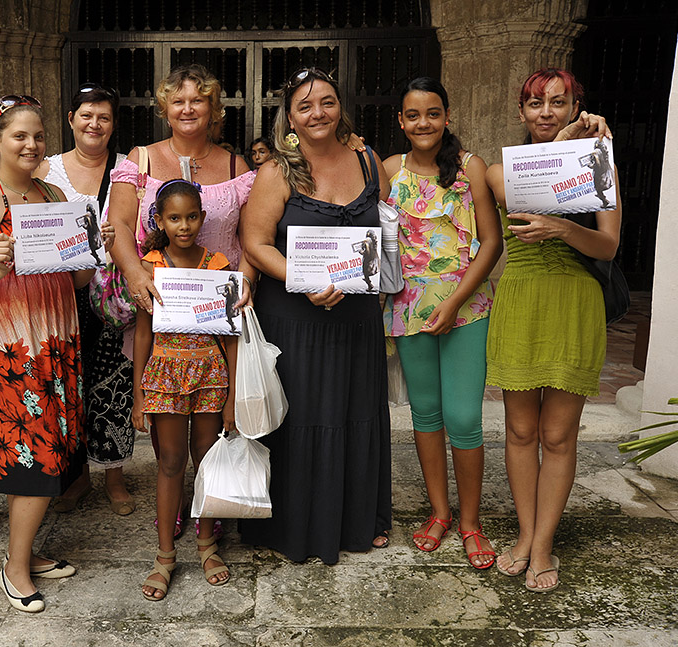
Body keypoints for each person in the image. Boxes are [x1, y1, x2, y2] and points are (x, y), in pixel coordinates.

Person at [0, 94, 114, 612]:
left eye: (38, 136)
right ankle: (14, 568)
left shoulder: (53, 193)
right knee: (34, 451)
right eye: (19, 135)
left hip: (55, 341)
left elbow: (80, 278)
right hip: (5, 349)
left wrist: (91, 245)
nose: (31, 144)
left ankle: (26, 551)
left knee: (54, 450)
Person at [240, 67, 392, 564]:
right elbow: (255, 243)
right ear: (289, 116)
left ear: (340, 106)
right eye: (304, 106)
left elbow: (384, 228)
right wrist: (303, 282)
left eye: (326, 102)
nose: (317, 113)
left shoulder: (369, 161)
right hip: (297, 318)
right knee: (302, 417)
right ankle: (296, 526)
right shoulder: (277, 172)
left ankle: (354, 520)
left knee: (353, 412)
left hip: (356, 319)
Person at [485, 68, 618, 592]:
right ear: (520, 113)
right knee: (519, 430)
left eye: (558, 103)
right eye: (536, 103)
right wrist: (562, 147)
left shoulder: (599, 164)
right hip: (521, 296)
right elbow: (524, 198)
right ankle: (524, 534)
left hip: (573, 300)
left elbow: (607, 245)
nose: (546, 112)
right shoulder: (500, 171)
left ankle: (543, 546)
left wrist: (565, 228)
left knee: (558, 434)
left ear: (575, 107)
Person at [109, 64, 254, 538]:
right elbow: (121, 230)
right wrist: (136, 271)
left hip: (219, 314)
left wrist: (243, 285)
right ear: (164, 108)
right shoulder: (141, 160)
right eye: (178, 100)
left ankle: (207, 528)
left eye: (199, 99)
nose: (188, 108)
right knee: (169, 455)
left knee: (208, 445)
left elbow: (253, 238)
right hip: (163, 311)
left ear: (214, 108)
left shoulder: (237, 167)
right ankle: (168, 534)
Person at [382, 77, 503, 569]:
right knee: (426, 414)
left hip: (466, 307)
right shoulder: (391, 170)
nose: (423, 123)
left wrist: (453, 303)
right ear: (401, 121)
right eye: (413, 115)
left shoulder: (470, 168)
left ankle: (471, 522)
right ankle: (439, 513)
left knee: (464, 418)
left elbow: (492, 242)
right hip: (408, 307)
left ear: (447, 117)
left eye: (433, 113)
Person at [132, 179, 237, 600]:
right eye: (174, 218)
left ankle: (207, 544)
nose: (184, 225)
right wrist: (139, 394)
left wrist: (232, 395)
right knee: (171, 462)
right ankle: (164, 556)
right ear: (159, 220)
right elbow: (142, 333)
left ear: (203, 217)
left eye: (192, 216)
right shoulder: (150, 266)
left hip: (211, 374)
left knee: (207, 461)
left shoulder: (218, 264)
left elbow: (230, 337)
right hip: (164, 376)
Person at [34, 83, 135, 516]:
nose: (94, 124)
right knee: (67, 385)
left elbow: (145, 222)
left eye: (104, 117)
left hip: (112, 295)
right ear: (71, 119)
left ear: (113, 125)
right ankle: (77, 479)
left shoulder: (128, 169)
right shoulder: (45, 169)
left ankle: (115, 477)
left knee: (113, 382)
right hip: (60, 294)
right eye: (86, 115)